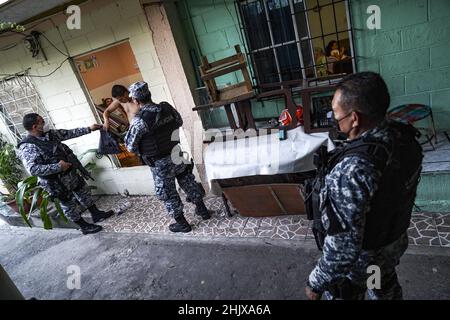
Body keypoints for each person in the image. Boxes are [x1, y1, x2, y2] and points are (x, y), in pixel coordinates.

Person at [304, 72, 423, 300]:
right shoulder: (402, 137)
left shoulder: (353, 169)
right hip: (387, 249)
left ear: (355, 118)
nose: (334, 119)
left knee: (346, 293)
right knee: (379, 283)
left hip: (361, 263)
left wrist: (316, 283)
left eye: (336, 115)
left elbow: (343, 247)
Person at [124, 81, 211, 233]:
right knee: (188, 182)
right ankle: (203, 211)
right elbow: (179, 122)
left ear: (136, 101)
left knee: (168, 193)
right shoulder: (166, 108)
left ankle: (183, 224)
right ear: (149, 95)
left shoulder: (139, 121)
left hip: (160, 163)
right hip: (176, 154)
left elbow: (130, 146)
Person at [17, 113, 115, 235]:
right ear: (35, 127)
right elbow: (33, 169)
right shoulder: (27, 146)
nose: (45, 122)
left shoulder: (50, 135)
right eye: (42, 121)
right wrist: (58, 167)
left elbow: (69, 133)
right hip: (54, 182)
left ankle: (96, 214)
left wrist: (89, 129)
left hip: (69, 175)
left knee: (83, 192)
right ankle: (84, 226)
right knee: (68, 204)